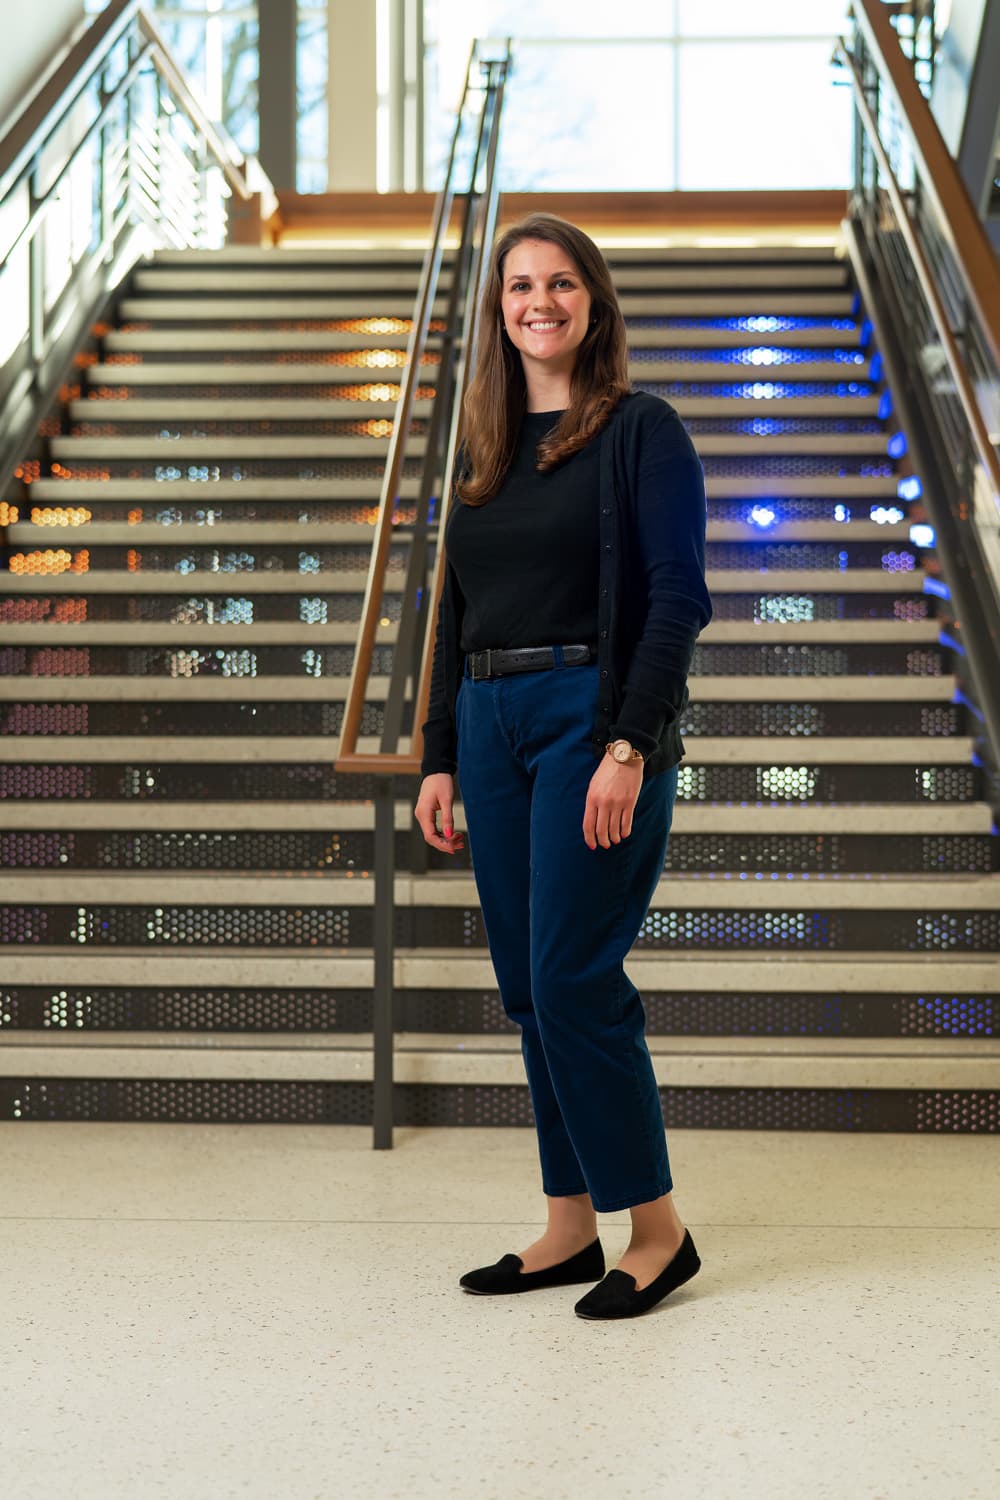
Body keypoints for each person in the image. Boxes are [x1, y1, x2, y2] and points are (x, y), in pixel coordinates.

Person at [414, 213, 712, 1320]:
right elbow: (453, 616)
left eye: (560, 283)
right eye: (518, 286)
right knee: (532, 991)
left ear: (594, 301)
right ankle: (566, 1226)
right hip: (490, 722)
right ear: (499, 311)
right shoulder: (484, 452)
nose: (538, 301)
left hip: (590, 716)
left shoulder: (640, 432)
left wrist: (629, 742)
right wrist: (439, 753)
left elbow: (679, 598)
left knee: (576, 977)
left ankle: (659, 1231)